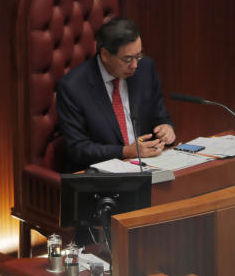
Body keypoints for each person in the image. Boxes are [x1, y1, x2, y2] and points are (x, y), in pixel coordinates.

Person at [56, 18, 176, 173]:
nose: (135, 65)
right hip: (101, 176)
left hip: (148, 166)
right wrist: (125, 152)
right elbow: (78, 149)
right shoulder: (73, 87)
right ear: (105, 54)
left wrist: (167, 128)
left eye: (138, 56)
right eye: (127, 59)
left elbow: (160, 116)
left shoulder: (146, 69)